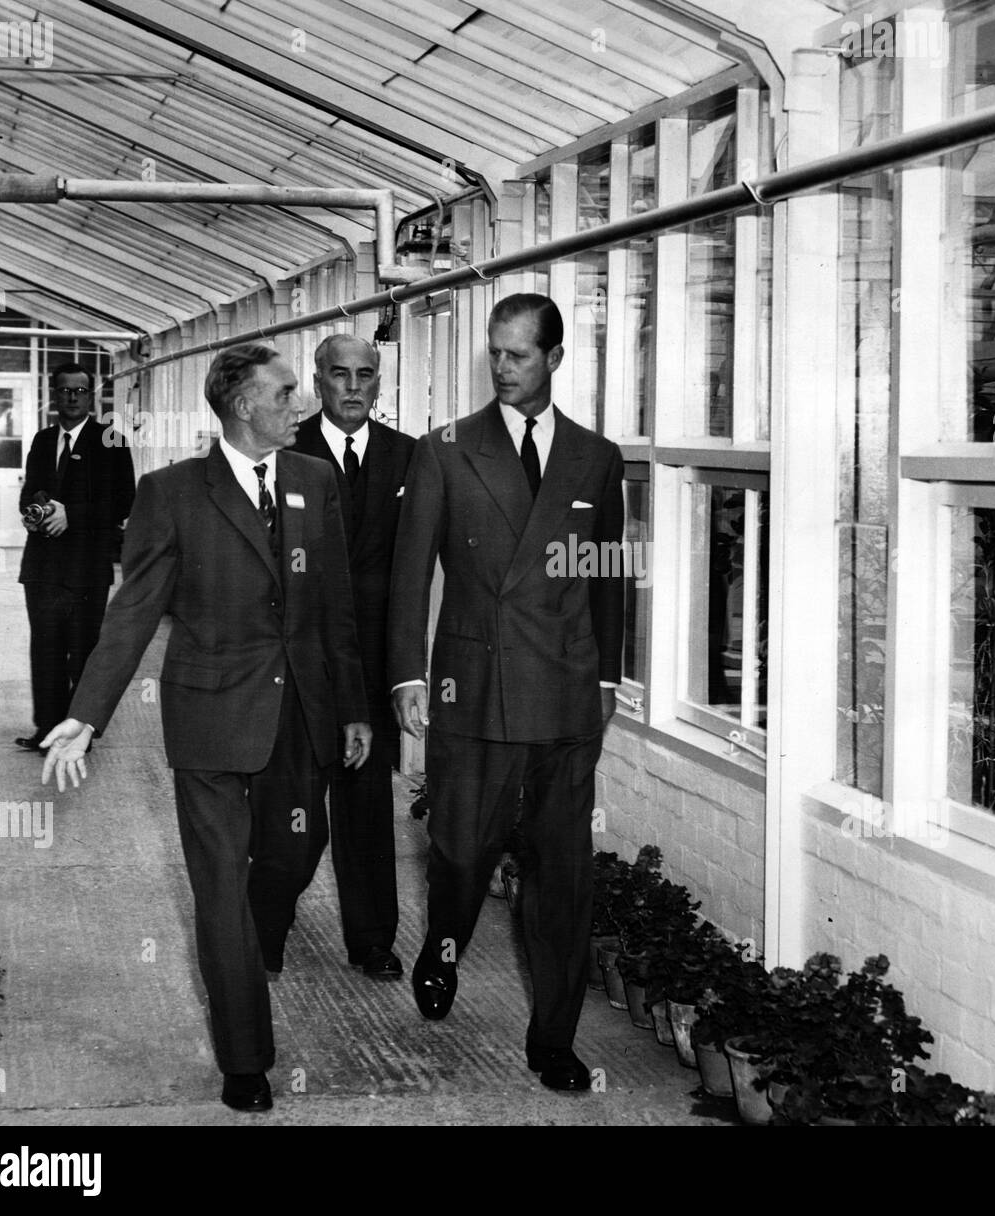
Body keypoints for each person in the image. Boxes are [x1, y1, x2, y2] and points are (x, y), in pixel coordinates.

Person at [41, 344, 371, 1114]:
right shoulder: (172, 494)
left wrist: (353, 705)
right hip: (211, 720)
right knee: (219, 888)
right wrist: (86, 714)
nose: (302, 404)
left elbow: (336, 606)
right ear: (244, 406)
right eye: (288, 393)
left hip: (300, 718)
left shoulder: (315, 482)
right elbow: (132, 614)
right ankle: (245, 1059)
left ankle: (254, 940)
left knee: (294, 853)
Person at [388, 293, 625, 1093]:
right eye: (495, 353)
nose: (502, 368)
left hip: (563, 693)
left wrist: (604, 676)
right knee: (461, 852)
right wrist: (409, 673)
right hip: (473, 686)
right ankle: (442, 947)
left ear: (555, 359)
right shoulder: (446, 449)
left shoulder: (596, 458)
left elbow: (605, 577)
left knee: (562, 875)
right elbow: (410, 572)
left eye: (518, 356)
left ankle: (553, 1040)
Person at [291, 334, 415, 980]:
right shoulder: (284, 453)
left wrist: (410, 671)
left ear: (380, 382)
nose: (353, 387)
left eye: (366, 375)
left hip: (371, 669)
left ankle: (372, 939)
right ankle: (271, 917)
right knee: (295, 809)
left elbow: (422, 570)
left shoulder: (409, 458)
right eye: (339, 375)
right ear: (318, 382)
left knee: (367, 809)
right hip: (299, 666)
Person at [16, 362, 135, 751]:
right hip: (43, 567)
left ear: (93, 396)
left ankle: (79, 732)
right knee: (46, 647)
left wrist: (72, 514)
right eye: (64, 391)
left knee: (83, 650)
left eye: (79, 391)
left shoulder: (111, 440)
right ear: (53, 395)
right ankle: (46, 728)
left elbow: (124, 500)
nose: (71, 398)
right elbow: (29, 491)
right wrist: (37, 512)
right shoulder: (41, 440)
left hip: (87, 567)